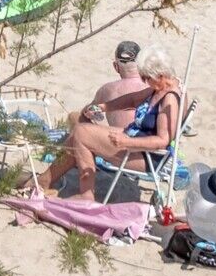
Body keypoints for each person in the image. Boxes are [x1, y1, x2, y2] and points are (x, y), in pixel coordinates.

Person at [51, 49, 182, 197]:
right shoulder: (161, 87)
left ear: (160, 75)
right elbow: (132, 100)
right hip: (134, 139)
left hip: (145, 155)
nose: (144, 82)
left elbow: (162, 141)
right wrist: (104, 107)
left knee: (81, 133)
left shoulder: (169, 99)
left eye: (146, 78)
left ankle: (85, 196)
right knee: (80, 132)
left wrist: (126, 142)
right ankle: (45, 181)